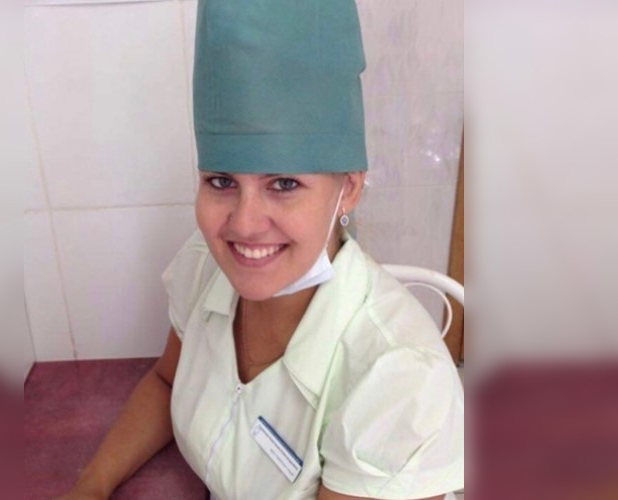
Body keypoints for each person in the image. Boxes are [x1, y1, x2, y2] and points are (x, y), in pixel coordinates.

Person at [59, 0, 464, 499]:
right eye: (221, 180)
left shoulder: (400, 381)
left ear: (349, 189)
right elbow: (167, 383)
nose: (244, 225)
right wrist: (90, 487)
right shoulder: (204, 268)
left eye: (284, 184)